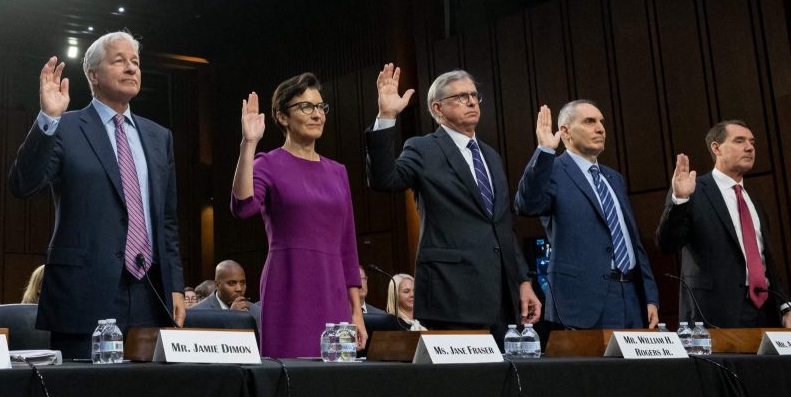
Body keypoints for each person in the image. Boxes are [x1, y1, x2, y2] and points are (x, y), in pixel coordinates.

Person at [8, 32, 186, 358]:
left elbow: (168, 220)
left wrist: (175, 284)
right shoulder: (65, 126)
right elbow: (23, 184)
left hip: (150, 292)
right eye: (119, 61)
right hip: (83, 292)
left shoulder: (159, 137)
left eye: (136, 62)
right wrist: (48, 118)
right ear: (93, 74)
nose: (131, 68)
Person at [365, 65, 541, 333]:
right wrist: (387, 117)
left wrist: (522, 281)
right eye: (460, 97)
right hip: (451, 293)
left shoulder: (491, 156)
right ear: (437, 109)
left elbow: (502, 226)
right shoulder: (423, 148)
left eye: (473, 95)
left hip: (500, 298)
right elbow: (384, 180)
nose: (471, 101)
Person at [232, 73, 365, 356]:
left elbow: (348, 245)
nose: (317, 114)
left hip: (334, 289)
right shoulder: (267, 163)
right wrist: (248, 143)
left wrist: (357, 313)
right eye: (306, 107)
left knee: (337, 373)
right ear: (282, 117)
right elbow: (243, 207)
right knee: (292, 373)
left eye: (320, 107)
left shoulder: (338, 171)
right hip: (289, 283)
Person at [514, 101, 659, 329]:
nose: (600, 128)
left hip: (632, 297)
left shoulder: (614, 178)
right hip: (581, 301)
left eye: (601, 122)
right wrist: (545, 152)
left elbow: (633, 241)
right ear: (565, 131)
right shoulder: (552, 171)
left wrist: (650, 296)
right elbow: (526, 205)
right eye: (589, 122)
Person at [656, 121, 791, 328]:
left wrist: (786, 306)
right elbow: (667, 244)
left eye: (752, 142)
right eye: (739, 141)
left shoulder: (755, 199)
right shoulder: (692, 190)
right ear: (716, 148)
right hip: (715, 313)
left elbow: (764, 259)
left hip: (766, 311)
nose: (750, 147)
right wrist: (679, 200)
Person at [190, 260, 256, 313]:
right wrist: (232, 316)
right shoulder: (197, 312)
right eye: (232, 283)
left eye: (242, 283)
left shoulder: (257, 311)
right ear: (217, 285)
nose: (239, 289)